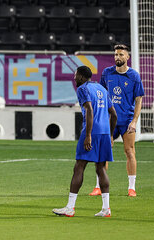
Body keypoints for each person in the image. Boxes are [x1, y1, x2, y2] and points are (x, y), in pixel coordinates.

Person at [53, 66, 117, 217]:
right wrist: (111, 135)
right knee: (100, 168)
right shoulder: (101, 88)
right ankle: (106, 208)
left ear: (81, 77)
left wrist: (88, 134)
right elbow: (113, 114)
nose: (74, 78)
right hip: (104, 132)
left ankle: (70, 207)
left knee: (79, 167)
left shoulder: (83, 89)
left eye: (75, 75)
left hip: (92, 131)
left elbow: (89, 109)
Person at [89, 44, 145, 197]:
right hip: (108, 120)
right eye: (116, 55)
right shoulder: (107, 73)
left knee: (129, 151)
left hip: (126, 120)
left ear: (127, 57)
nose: (117, 57)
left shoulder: (134, 76)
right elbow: (101, 96)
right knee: (103, 152)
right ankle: (98, 186)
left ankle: (131, 188)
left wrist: (134, 121)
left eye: (121, 54)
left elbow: (138, 100)